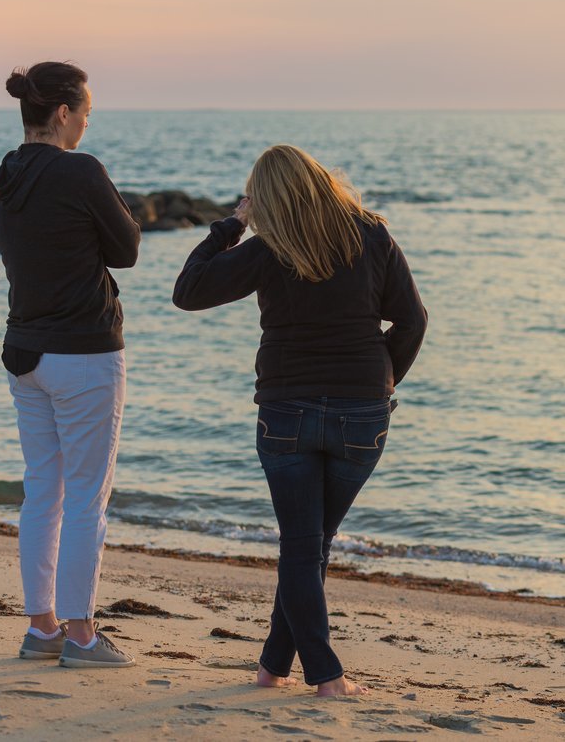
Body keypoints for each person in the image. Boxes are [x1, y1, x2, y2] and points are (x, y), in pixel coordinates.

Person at [173, 144, 427, 697]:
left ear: (264, 200)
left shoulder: (270, 248)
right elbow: (412, 321)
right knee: (309, 544)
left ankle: (324, 675)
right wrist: (381, 381)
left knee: (302, 544)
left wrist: (228, 227)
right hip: (362, 416)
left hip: (287, 411)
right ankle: (273, 667)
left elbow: (188, 291)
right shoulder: (373, 236)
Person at [0, 61, 141, 668]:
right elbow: (127, 248)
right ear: (61, 113)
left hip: (25, 352)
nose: (85, 123)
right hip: (82, 354)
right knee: (85, 500)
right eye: (83, 113)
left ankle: (42, 627)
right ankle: (81, 635)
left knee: (42, 494)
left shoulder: (8, 171)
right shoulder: (81, 170)